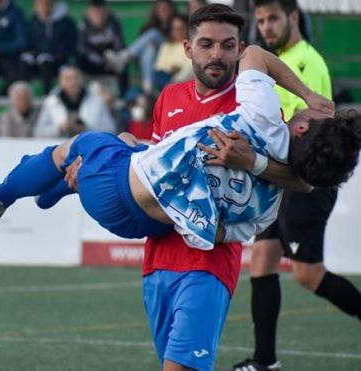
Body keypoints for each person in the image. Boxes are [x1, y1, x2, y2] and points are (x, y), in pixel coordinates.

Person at [61, 4, 320, 370]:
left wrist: (252, 162)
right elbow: (156, 164)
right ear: (188, 48)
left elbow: (304, 181)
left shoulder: (254, 105)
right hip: (157, 259)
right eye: (207, 44)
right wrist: (107, 159)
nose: (217, 54)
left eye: (228, 45)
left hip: (209, 261)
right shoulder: (169, 97)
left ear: (240, 49)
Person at [0, 45, 358, 257]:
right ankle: (65, 186)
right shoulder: (268, 209)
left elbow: (256, 54)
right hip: (139, 226)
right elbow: (215, 236)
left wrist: (308, 94)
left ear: (304, 126)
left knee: (71, 149)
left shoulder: (262, 116)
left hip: (114, 186)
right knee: (130, 143)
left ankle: (1, 197)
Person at [231, 1, 361, 370]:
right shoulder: (277, 62)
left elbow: (313, 130)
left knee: (307, 273)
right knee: (262, 260)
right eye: (260, 21)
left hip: (306, 179)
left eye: (272, 18)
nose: (266, 27)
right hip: (279, 176)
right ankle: (265, 361)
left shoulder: (306, 61)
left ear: (292, 17)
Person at [104, 0, 176, 95]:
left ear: (171, 9)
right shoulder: (149, 26)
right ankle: (148, 87)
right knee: (149, 49)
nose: (163, 11)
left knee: (153, 33)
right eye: (160, 9)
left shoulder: (176, 24)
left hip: (169, 56)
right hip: (152, 61)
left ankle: (123, 57)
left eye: (165, 9)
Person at [33, 66, 115, 138]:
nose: (73, 83)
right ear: (60, 81)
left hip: (89, 148)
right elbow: (38, 132)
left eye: (76, 78)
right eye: (68, 79)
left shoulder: (97, 100)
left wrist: (86, 128)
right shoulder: (50, 102)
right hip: (60, 148)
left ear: (82, 79)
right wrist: (60, 128)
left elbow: (110, 129)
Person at [21, 0, 78, 94]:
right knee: (25, 60)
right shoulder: (33, 21)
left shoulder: (66, 22)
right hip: (37, 60)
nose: (42, 7)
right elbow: (28, 43)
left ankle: (47, 96)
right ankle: (23, 94)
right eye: (39, 4)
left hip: (57, 61)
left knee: (45, 61)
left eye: (45, 4)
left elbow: (71, 45)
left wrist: (57, 53)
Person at [76, 0, 128, 95]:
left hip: (111, 62)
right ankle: (80, 95)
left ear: (106, 11)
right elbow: (83, 48)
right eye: (95, 13)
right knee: (79, 59)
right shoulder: (84, 25)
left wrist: (111, 59)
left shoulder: (113, 22)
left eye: (101, 13)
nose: (98, 16)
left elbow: (119, 44)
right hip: (94, 62)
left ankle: (124, 96)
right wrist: (101, 61)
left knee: (122, 63)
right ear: (90, 13)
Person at [153, 14, 193, 90]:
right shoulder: (166, 45)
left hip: (184, 77)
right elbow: (159, 66)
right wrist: (171, 69)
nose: (177, 32)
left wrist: (179, 68)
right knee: (158, 75)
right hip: (166, 75)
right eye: (174, 29)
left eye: (180, 29)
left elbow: (191, 65)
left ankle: (171, 87)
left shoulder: (191, 45)